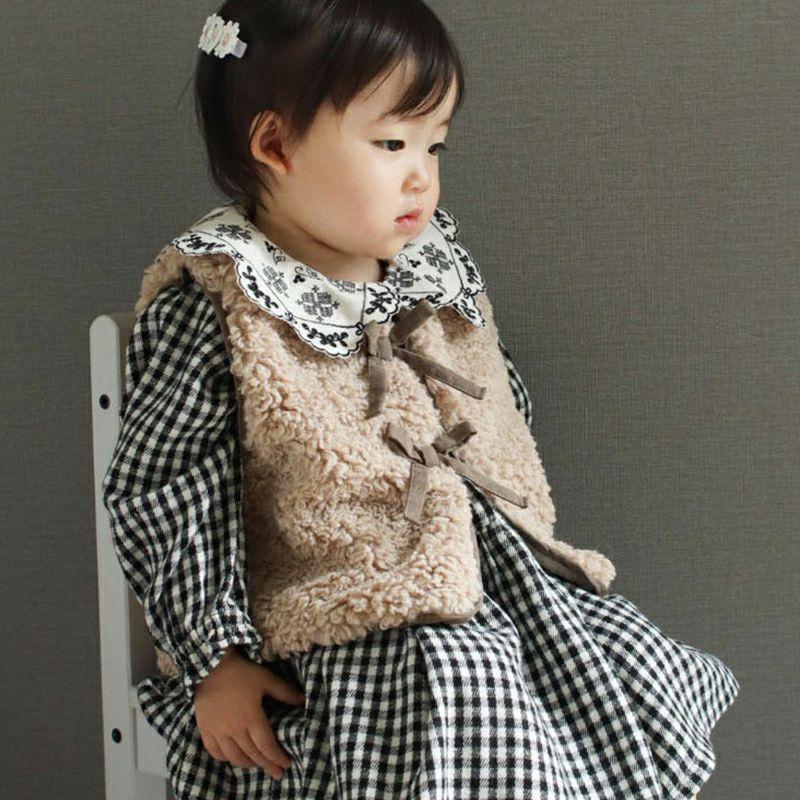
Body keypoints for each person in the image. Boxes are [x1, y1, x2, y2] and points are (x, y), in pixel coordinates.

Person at [102, 2, 739, 798]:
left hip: (489, 584)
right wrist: (216, 656)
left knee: (631, 666)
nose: (422, 176)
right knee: (462, 693)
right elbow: (169, 495)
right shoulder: (222, 301)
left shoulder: (429, 274)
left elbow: (500, 414)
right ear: (275, 145)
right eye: (392, 144)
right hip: (341, 613)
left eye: (434, 145)